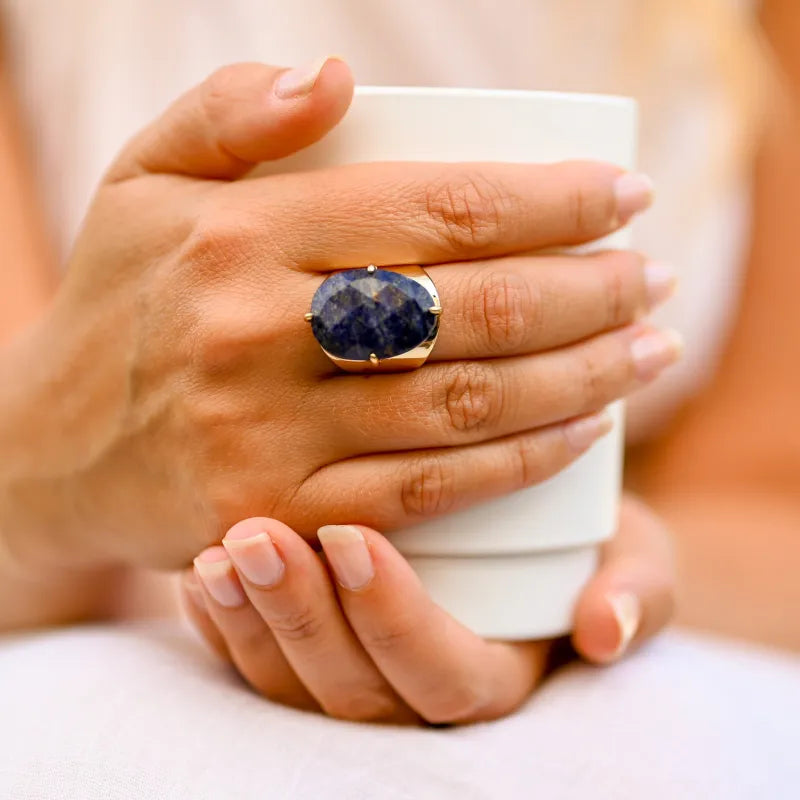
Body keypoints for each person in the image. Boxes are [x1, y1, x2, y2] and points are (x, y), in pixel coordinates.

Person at [0, 1, 799, 797]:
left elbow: (767, 507)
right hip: (129, 633)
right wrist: (64, 463)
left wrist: (589, 574)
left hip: (618, 673)